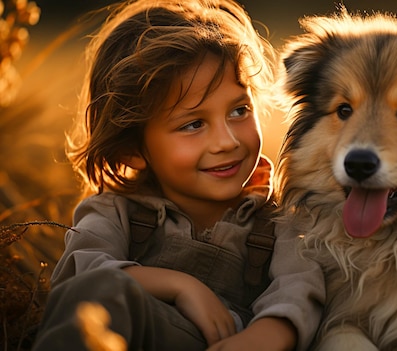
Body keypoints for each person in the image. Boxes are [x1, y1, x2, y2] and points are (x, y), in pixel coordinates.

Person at [32, 0, 324, 350]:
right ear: (132, 151)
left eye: (239, 110)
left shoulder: (279, 220)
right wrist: (179, 285)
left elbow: (298, 291)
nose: (226, 141)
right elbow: (83, 273)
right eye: (193, 124)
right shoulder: (116, 211)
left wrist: (258, 341)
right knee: (99, 295)